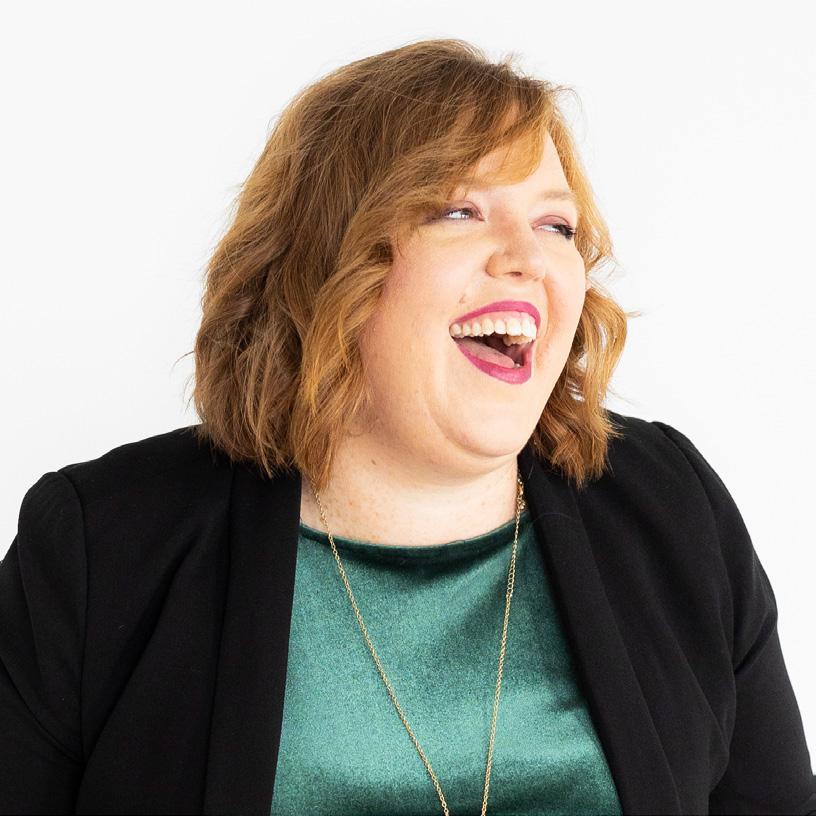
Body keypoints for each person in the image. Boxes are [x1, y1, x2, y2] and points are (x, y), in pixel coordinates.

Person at [1, 38, 814, 816]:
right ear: (324, 264)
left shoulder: (671, 504)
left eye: (556, 226)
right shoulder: (99, 546)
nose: (527, 258)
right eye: (459, 210)